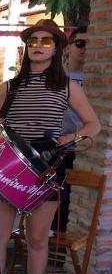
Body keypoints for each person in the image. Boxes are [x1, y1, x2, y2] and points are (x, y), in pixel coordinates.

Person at [0, 19, 100, 274]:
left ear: (57, 49)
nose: (38, 46)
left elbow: (93, 124)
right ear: (26, 48)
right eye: (33, 41)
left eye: (46, 41)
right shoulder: (8, 87)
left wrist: (71, 139)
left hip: (47, 168)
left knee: (38, 239)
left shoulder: (68, 87)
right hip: (10, 167)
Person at [51, 25, 88, 232]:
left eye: (90, 44)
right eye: (80, 43)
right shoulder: (58, 78)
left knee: (76, 194)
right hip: (60, 145)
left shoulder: (96, 80)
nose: (85, 48)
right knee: (58, 195)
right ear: (68, 47)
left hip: (85, 147)